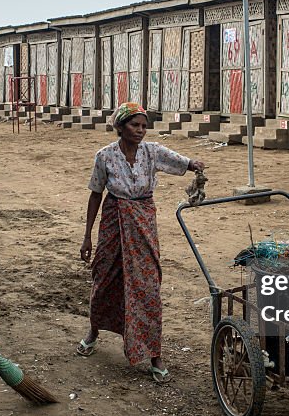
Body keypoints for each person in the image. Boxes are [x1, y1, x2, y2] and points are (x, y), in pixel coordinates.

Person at [77, 102, 205, 383]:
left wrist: (194, 165)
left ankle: (154, 354)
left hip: (144, 221)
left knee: (147, 285)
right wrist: (87, 236)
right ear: (120, 127)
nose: (140, 131)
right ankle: (94, 331)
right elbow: (96, 194)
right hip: (113, 221)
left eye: (144, 126)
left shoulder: (153, 152)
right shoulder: (105, 156)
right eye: (135, 125)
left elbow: (181, 162)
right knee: (105, 277)